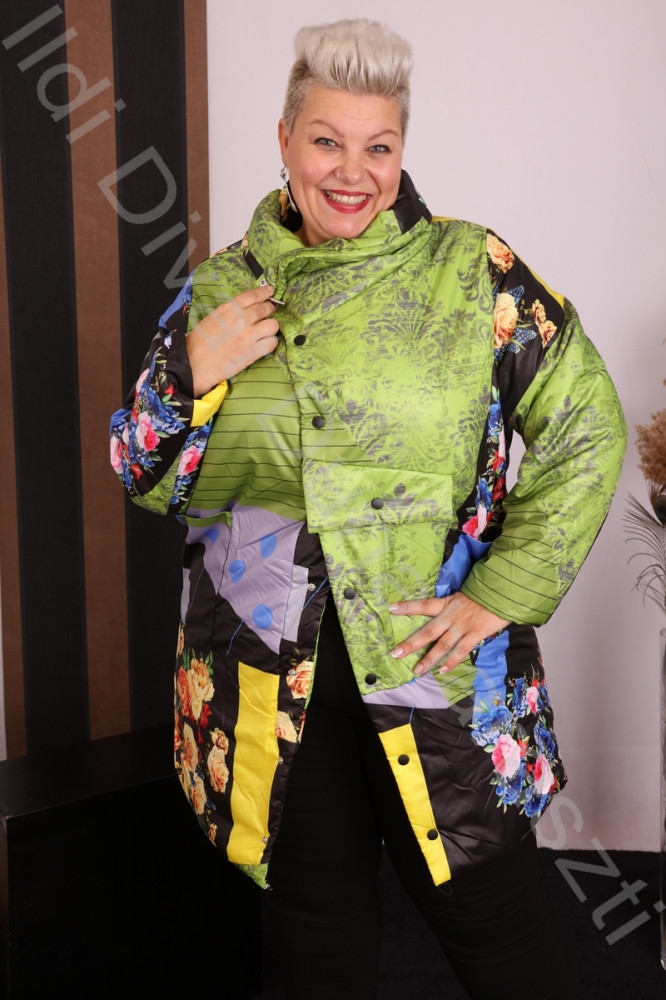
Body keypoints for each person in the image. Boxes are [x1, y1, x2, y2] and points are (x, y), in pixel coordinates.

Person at [110, 19, 626, 999]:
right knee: (316, 928)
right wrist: (188, 372)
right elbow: (143, 473)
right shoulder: (222, 291)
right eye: (327, 141)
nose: (352, 172)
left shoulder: (472, 272)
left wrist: (503, 590)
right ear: (285, 140)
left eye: (378, 147)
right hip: (270, 678)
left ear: (401, 152)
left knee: (499, 924)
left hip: (434, 668)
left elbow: (588, 422)